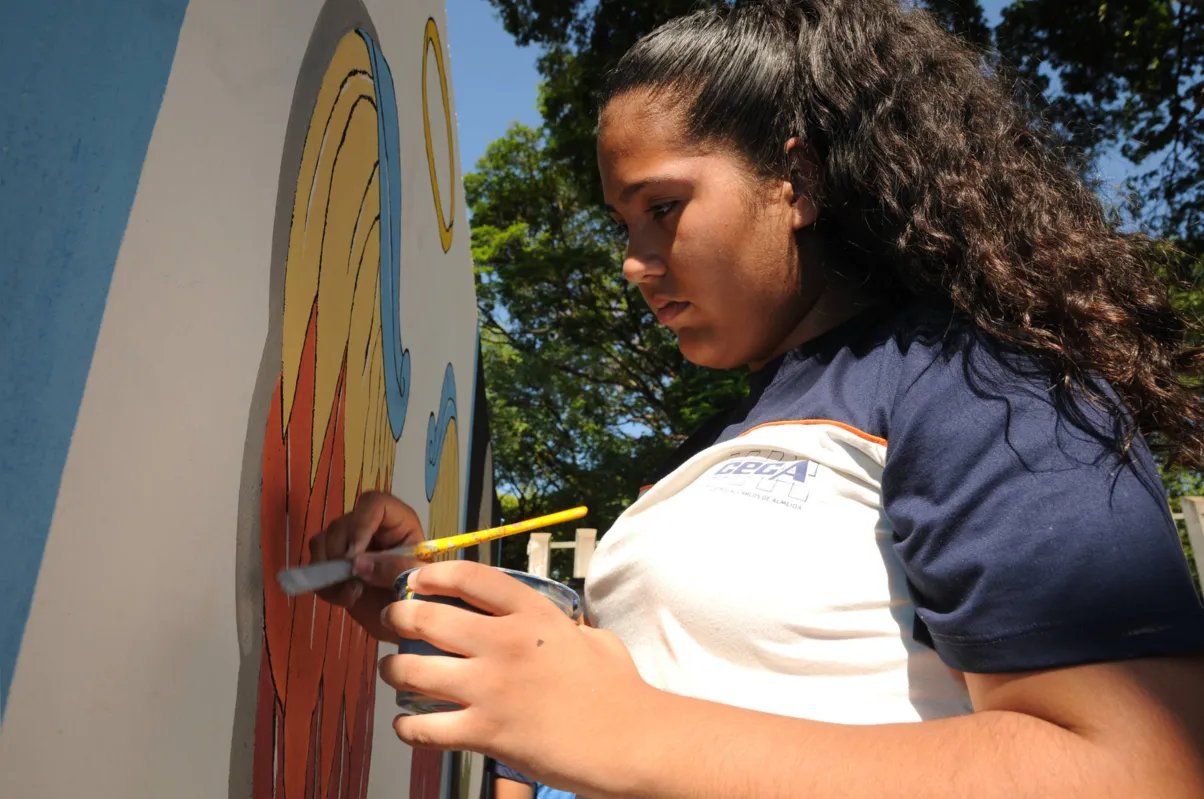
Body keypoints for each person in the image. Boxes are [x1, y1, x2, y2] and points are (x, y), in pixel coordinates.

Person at [307, 1, 1204, 796]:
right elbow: (693, 671)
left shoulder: (979, 380)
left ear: (798, 181)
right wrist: (432, 594)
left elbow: (1141, 769)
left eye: (662, 206)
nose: (632, 260)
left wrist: (627, 733)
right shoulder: (726, 435)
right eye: (624, 224)